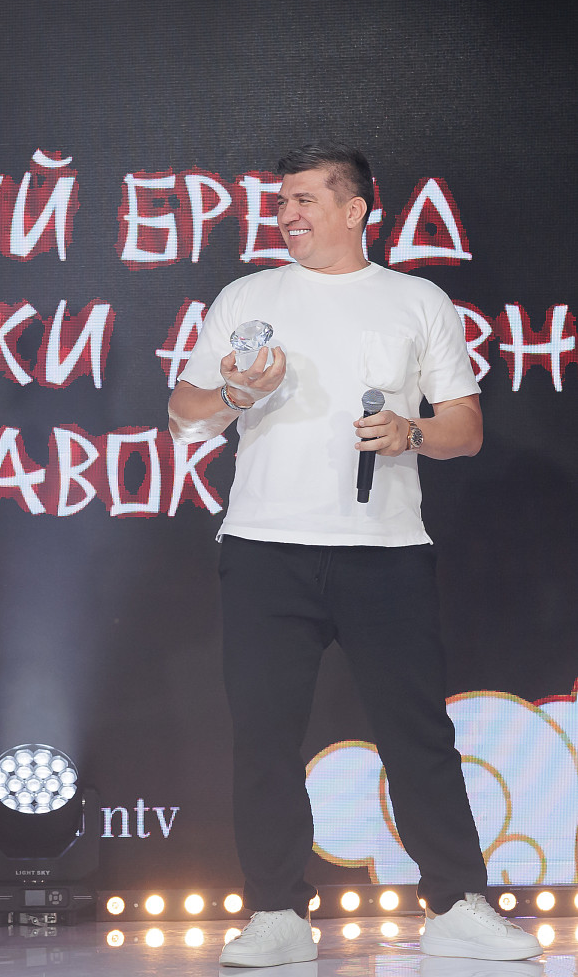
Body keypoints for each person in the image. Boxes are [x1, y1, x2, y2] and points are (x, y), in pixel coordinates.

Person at [168, 142, 542, 967]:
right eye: (280, 202)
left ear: (354, 209)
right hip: (265, 550)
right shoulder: (246, 297)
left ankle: (456, 903)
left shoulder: (415, 300)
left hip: (384, 550)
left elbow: (465, 429)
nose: (285, 216)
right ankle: (275, 912)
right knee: (264, 738)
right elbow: (184, 413)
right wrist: (235, 393)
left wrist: (411, 432)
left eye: (303, 200)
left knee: (417, 734)